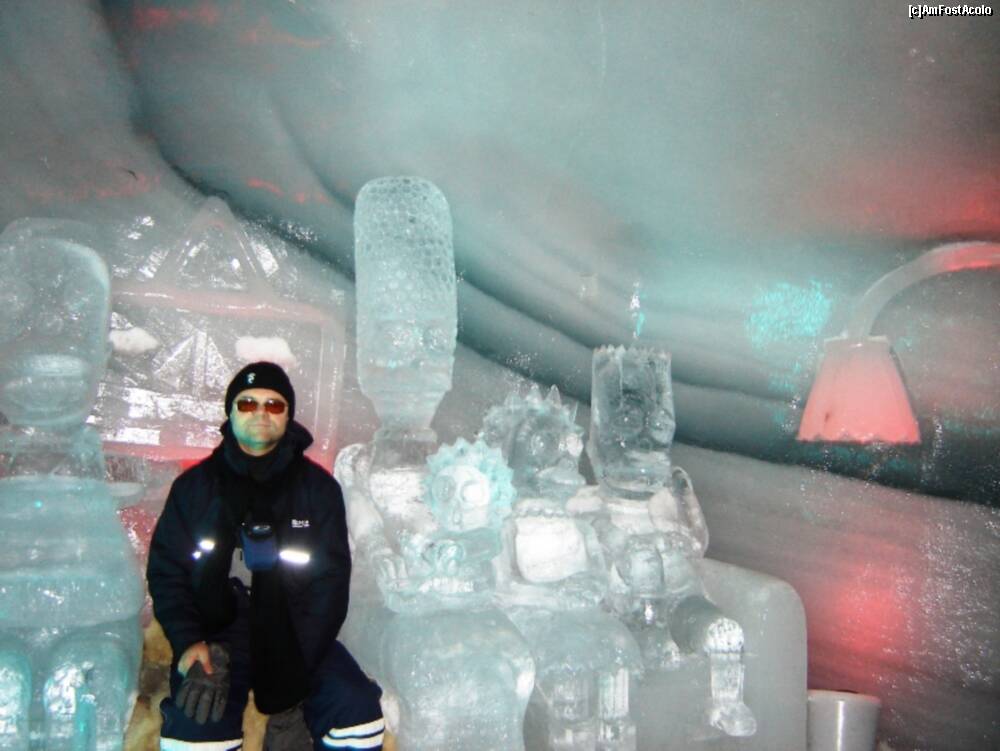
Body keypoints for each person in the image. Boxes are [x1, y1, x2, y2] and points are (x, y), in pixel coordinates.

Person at [147, 361, 384, 751]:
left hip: (295, 629)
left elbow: (330, 585)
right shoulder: (194, 489)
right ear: (230, 411)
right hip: (218, 634)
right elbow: (167, 573)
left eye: (274, 405)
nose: (260, 413)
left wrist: (296, 672)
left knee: (358, 716)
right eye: (247, 403)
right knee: (194, 734)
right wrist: (190, 642)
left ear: (288, 415)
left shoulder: (318, 490)